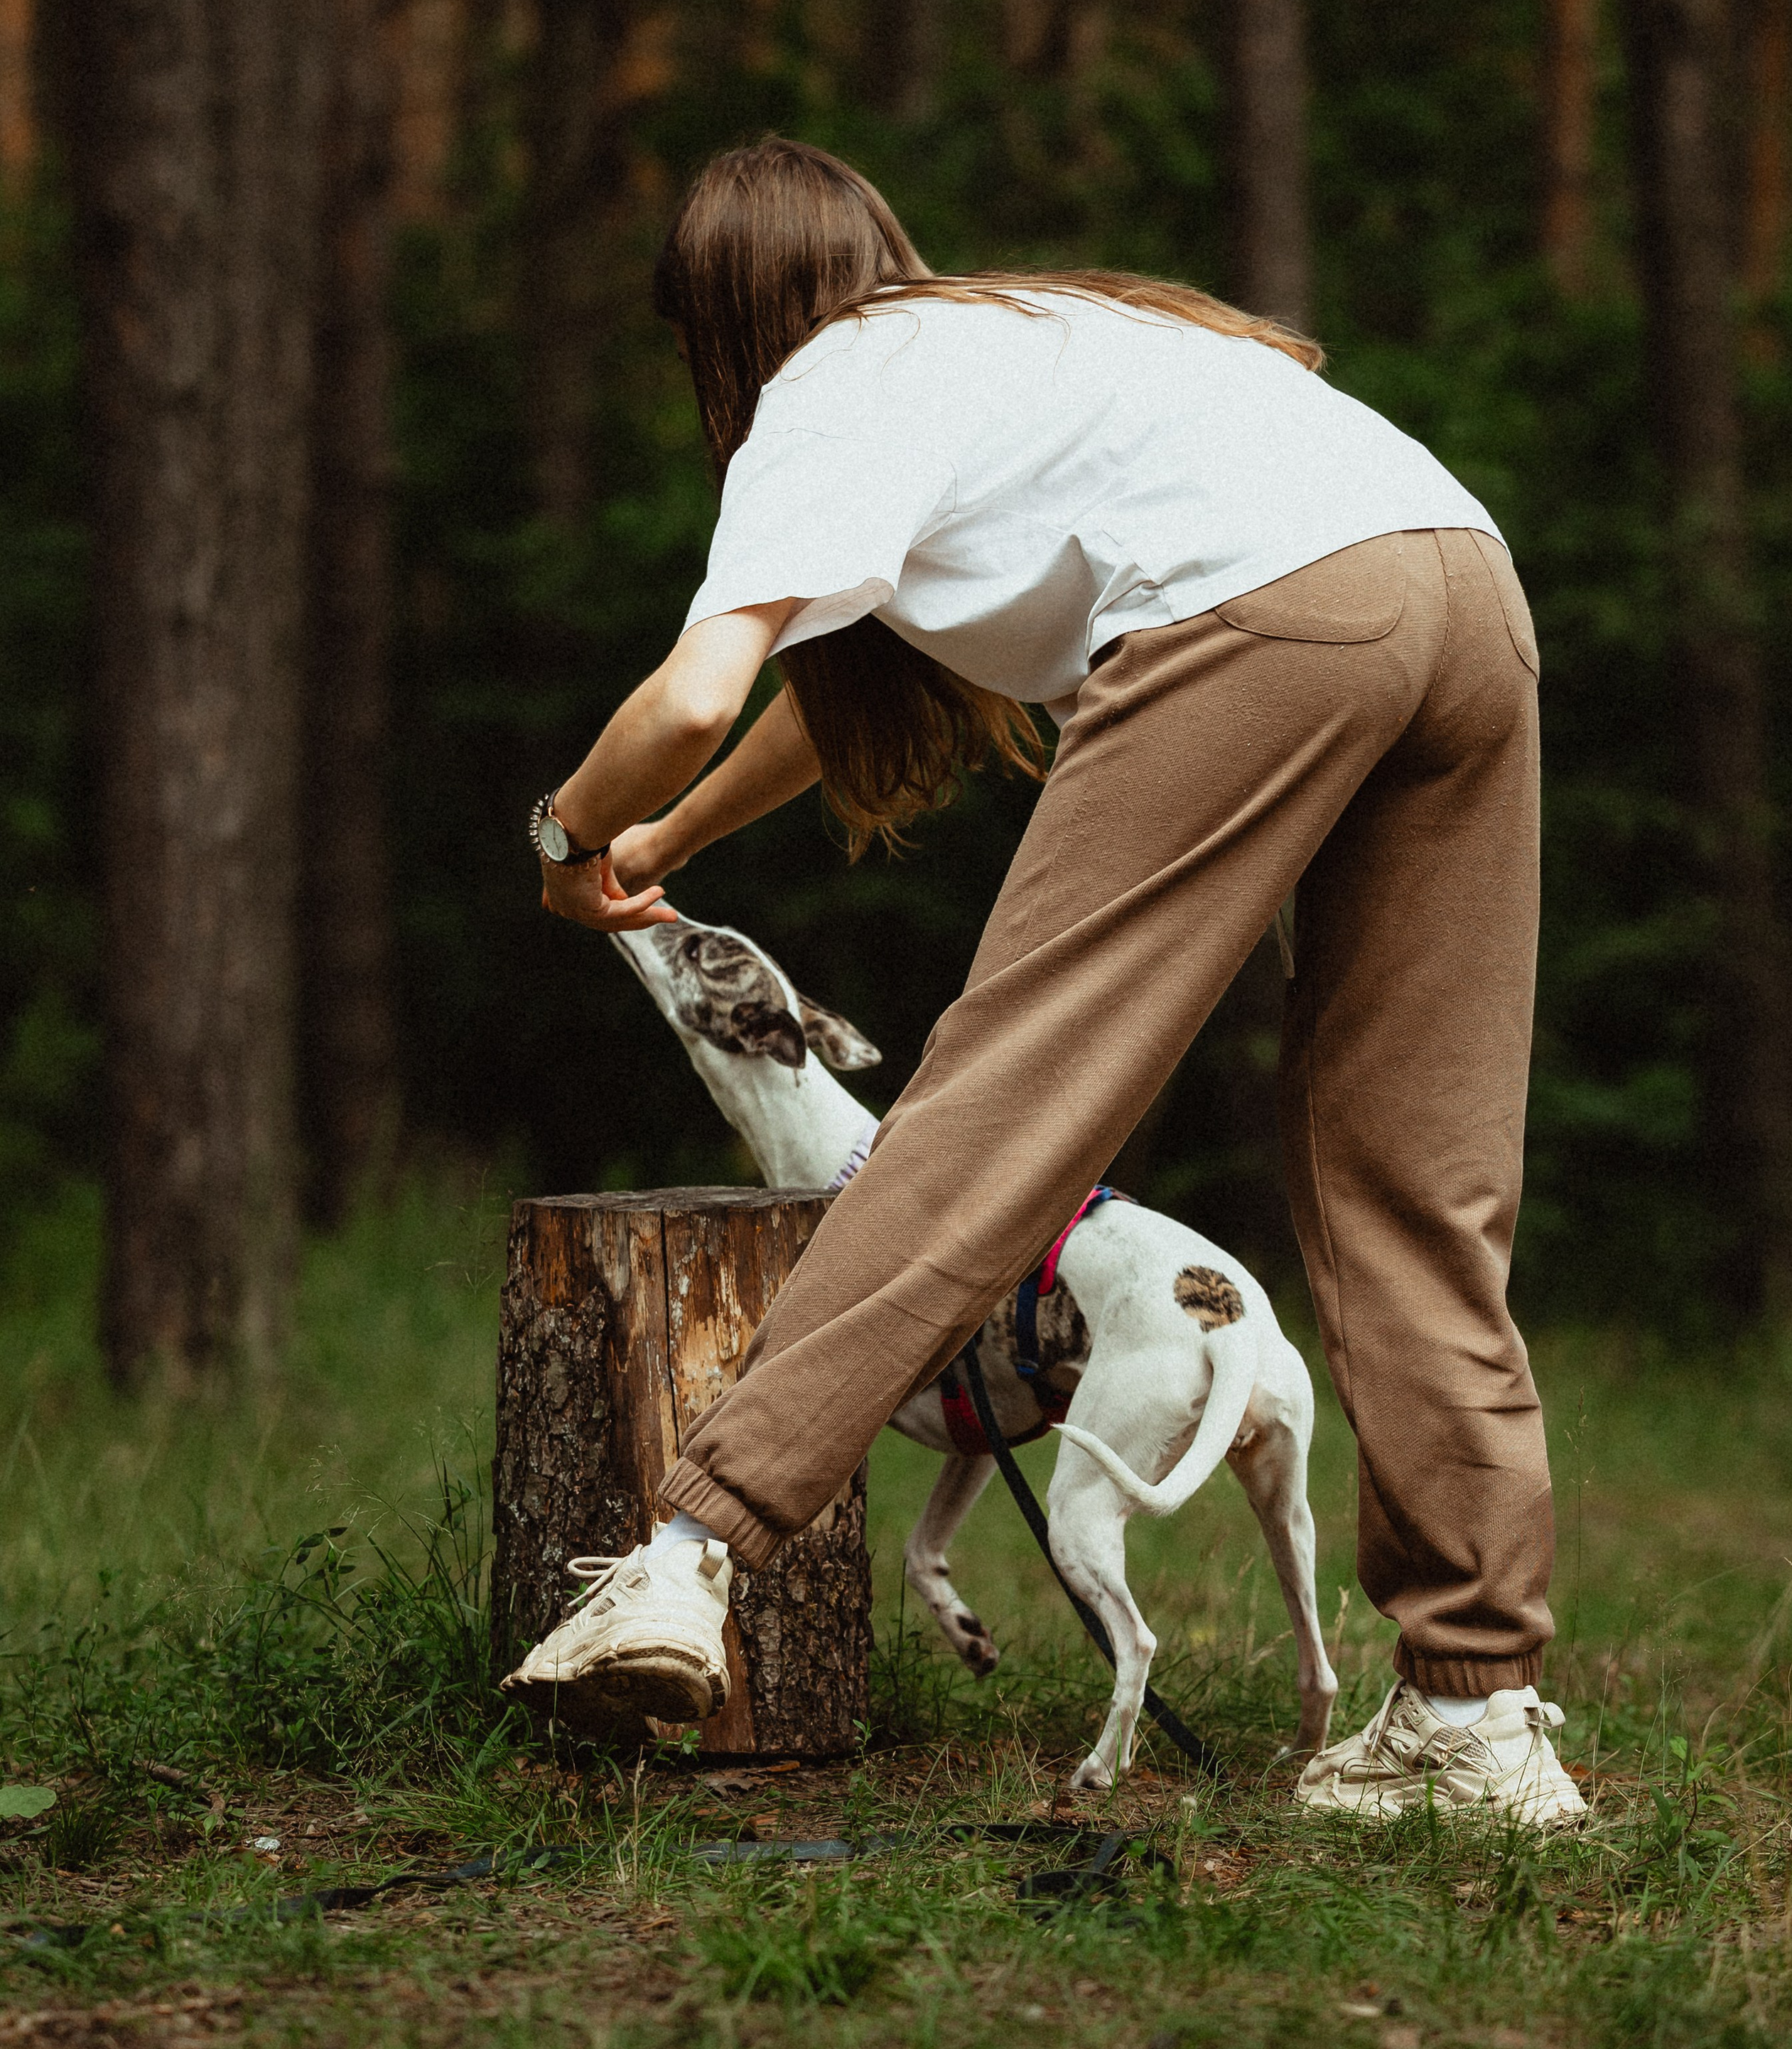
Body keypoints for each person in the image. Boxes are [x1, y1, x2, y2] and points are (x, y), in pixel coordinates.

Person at [504, 136, 1583, 1828]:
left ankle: (686, 1552)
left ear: (717, 324)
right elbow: (817, 704)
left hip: (1261, 622)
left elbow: (702, 681)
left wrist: (569, 827)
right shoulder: (1035, 333)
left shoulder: (828, 385)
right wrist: (677, 843)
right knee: (1414, 1168)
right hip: (1459, 583)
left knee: (998, 1102)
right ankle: (1474, 1714)